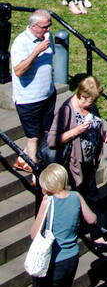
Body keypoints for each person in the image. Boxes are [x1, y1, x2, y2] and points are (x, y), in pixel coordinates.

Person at [30, 163, 98, 287]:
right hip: (72, 258)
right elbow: (92, 219)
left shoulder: (48, 201)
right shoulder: (76, 196)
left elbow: (33, 234)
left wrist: (44, 205)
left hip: (54, 262)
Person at [45, 76, 107, 208]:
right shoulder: (67, 110)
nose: (93, 103)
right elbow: (52, 140)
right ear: (81, 96)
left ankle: (91, 223)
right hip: (74, 166)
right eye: (91, 100)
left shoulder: (92, 107)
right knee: (77, 200)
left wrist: (102, 134)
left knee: (91, 198)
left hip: (90, 163)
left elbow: (94, 125)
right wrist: (75, 131)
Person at [11, 10, 55, 179]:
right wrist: (36, 51)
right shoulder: (20, 43)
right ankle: (35, 172)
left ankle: (24, 159)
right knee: (33, 137)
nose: (48, 29)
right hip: (29, 100)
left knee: (44, 131)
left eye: (50, 25)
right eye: (45, 26)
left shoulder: (46, 37)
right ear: (34, 26)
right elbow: (19, 71)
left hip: (47, 95)